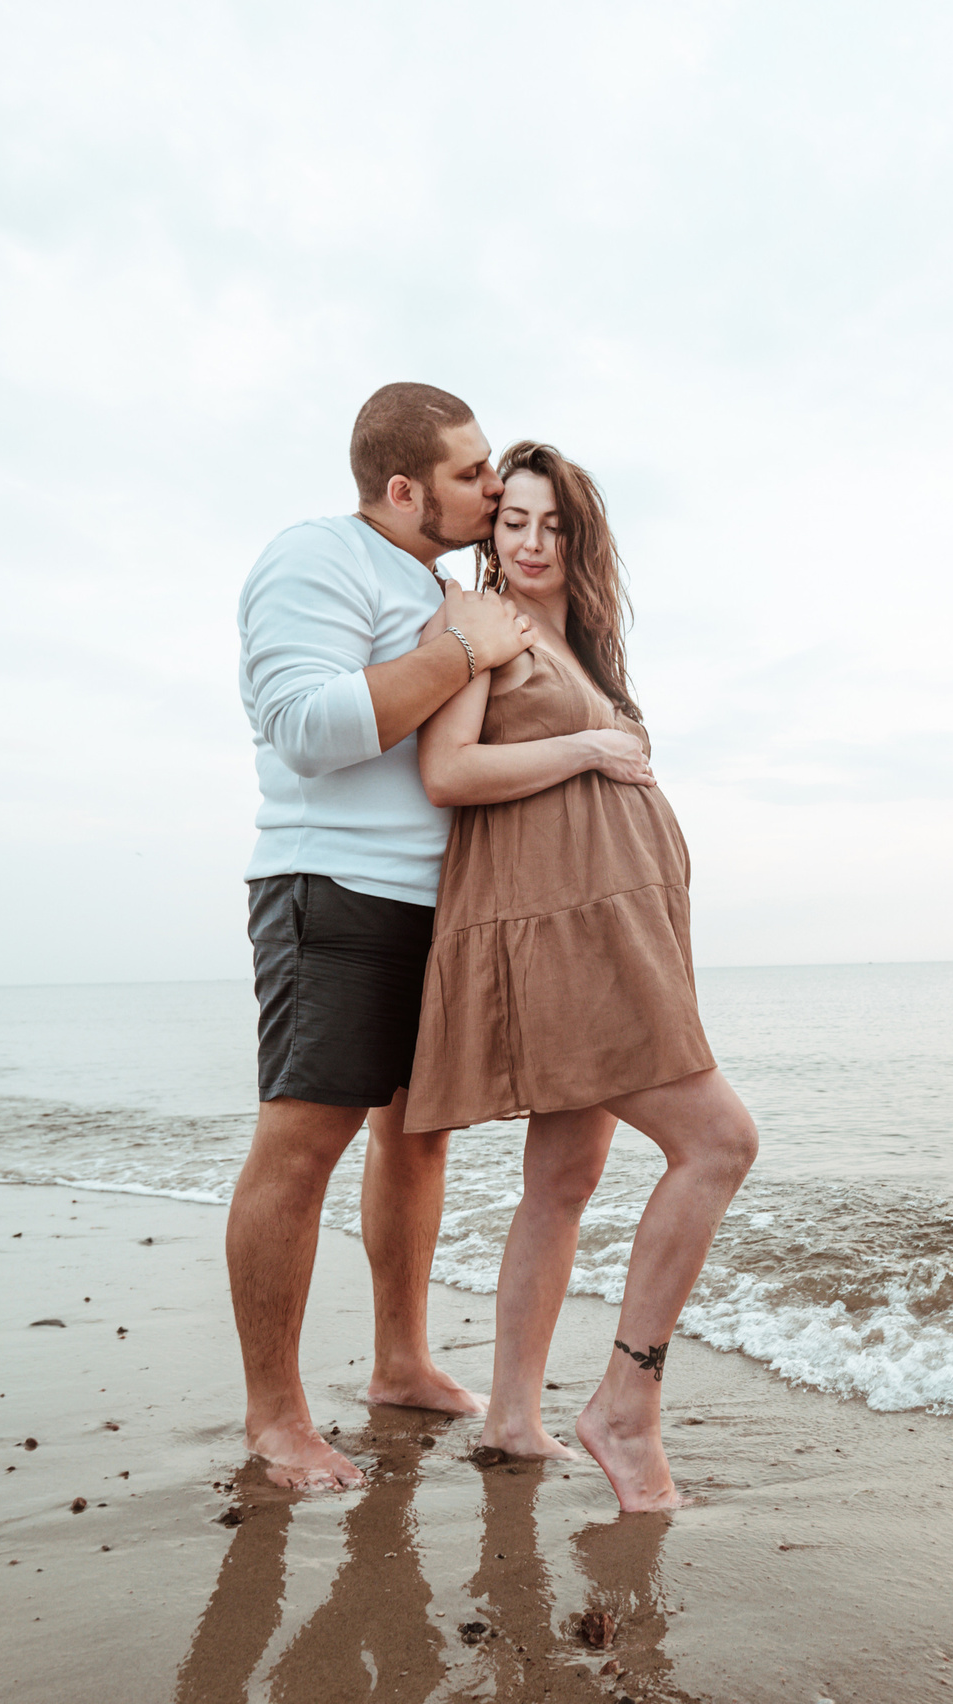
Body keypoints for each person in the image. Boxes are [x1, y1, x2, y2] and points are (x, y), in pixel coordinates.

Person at [404, 440, 759, 1513]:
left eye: (553, 524)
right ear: (489, 530)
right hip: (555, 940)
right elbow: (447, 772)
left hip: (613, 935)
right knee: (719, 1142)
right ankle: (625, 1407)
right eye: (512, 519)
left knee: (560, 1184)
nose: (530, 541)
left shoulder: (580, 646)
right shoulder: (477, 627)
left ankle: (514, 1418)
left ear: (580, 536)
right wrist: (588, 751)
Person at [230, 382, 538, 1489]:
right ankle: (275, 1417)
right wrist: (458, 651)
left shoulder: (441, 589)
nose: (494, 487)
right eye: (470, 471)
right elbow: (304, 730)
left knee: (417, 1139)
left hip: (438, 906)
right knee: (301, 1148)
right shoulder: (316, 556)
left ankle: (400, 1363)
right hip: (332, 892)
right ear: (402, 489)